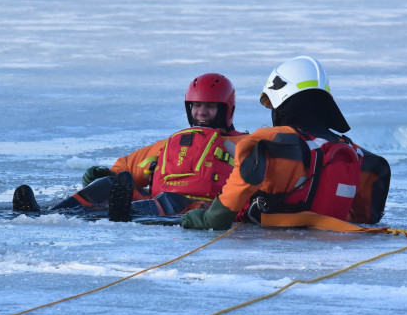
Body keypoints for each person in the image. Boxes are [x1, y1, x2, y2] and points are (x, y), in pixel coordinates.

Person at [180, 56, 391, 231]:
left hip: (276, 250)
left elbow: (236, 193)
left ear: (281, 98)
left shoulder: (268, 141)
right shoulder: (356, 153)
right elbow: (366, 216)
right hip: (336, 248)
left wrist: (209, 219)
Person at [13, 73, 249, 221]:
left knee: (170, 199)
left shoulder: (242, 144)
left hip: (200, 207)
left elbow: (264, 177)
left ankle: (124, 213)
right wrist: (107, 175)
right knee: (108, 184)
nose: (201, 112)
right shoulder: (169, 144)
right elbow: (128, 167)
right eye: (196, 105)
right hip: (157, 203)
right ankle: (48, 214)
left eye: (210, 106)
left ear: (226, 109)